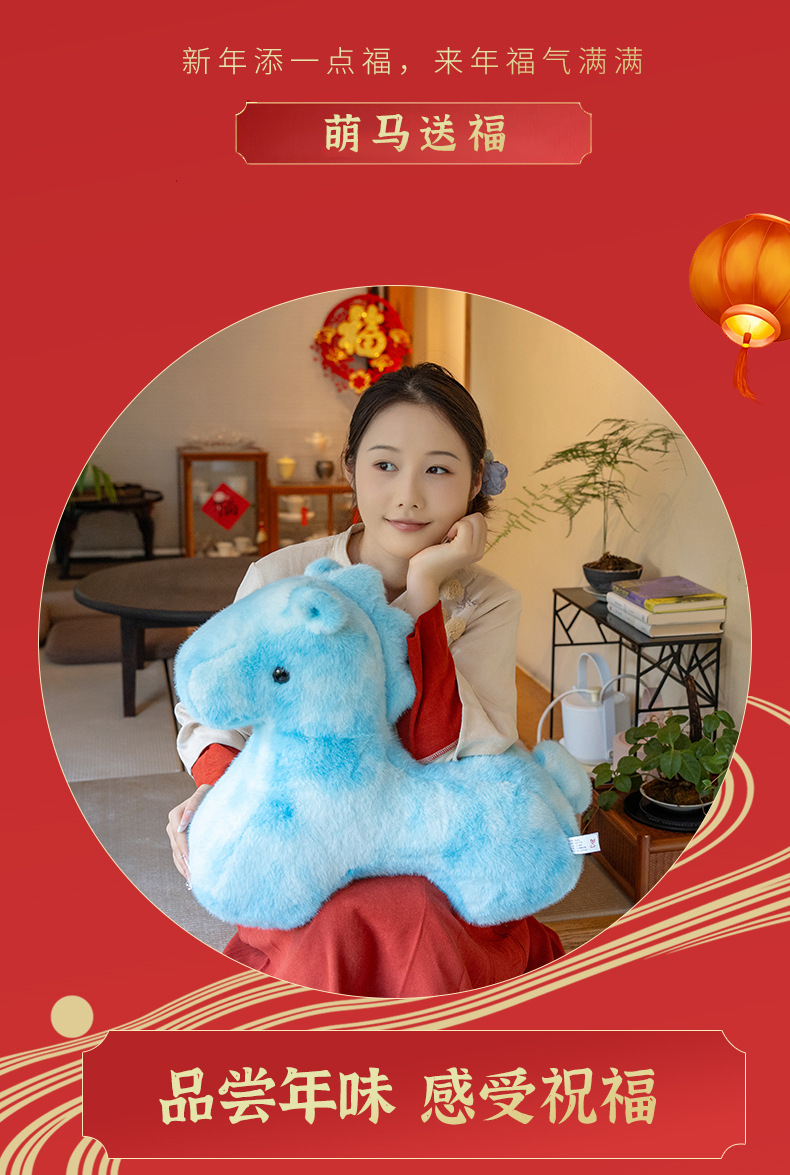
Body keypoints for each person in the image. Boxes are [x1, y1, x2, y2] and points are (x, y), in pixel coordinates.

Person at [168, 363, 563, 996]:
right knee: (331, 922)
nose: (408, 496)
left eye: (438, 470)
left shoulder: (488, 601)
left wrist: (424, 591)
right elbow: (213, 711)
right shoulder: (282, 577)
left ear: (475, 484)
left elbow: (455, 749)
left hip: (430, 837)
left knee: (417, 915)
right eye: (385, 465)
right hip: (304, 830)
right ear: (350, 468)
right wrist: (220, 789)